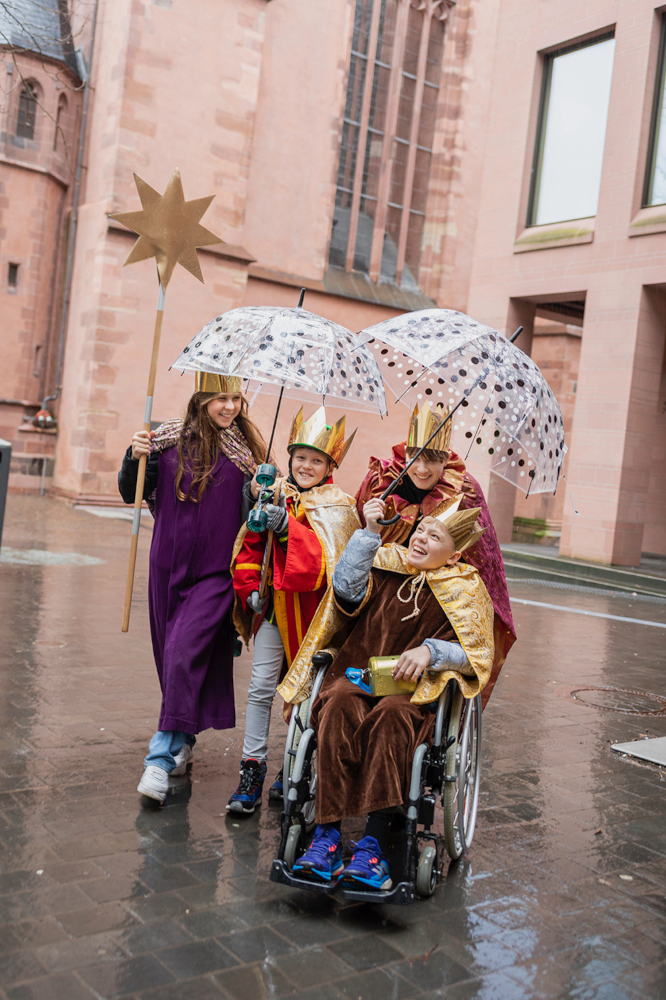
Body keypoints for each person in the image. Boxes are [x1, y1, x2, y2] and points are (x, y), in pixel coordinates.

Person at [279, 496, 495, 890]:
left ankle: (373, 846)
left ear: (453, 556)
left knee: (392, 717)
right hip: (358, 671)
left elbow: (477, 654)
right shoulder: (385, 558)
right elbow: (344, 593)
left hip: (411, 693)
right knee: (338, 703)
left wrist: (431, 651)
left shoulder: (466, 587)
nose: (421, 538)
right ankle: (326, 836)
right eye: (421, 530)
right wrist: (369, 533)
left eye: (435, 536)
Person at [118, 373, 269, 804]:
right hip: (166, 568)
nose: (230, 407)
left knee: (183, 651)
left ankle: (159, 761)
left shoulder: (247, 457)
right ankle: (182, 739)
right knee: (172, 659)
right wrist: (134, 456)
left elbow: (257, 519)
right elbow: (133, 492)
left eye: (236, 399)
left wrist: (262, 492)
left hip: (215, 575)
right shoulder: (163, 442)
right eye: (221, 398)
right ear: (201, 399)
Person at [227, 405, 360, 814]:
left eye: (316, 460)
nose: (306, 465)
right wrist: (250, 587)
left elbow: (327, 564)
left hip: (312, 616)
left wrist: (288, 529)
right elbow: (248, 547)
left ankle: (293, 767)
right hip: (272, 610)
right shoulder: (273, 491)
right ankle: (251, 769)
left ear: (329, 464)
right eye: (300, 457)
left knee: (305, 692)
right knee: (261, 687)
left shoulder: (340, 506)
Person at [355, 401, 515, 706]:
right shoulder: (380, 481)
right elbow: (355, 539)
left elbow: (483, 560)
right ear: (406, 451)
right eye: (415, 457)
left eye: (434, 460)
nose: (422, 469)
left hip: (433, 603)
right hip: (380, 593)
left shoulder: (464, 491)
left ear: (446, 460)